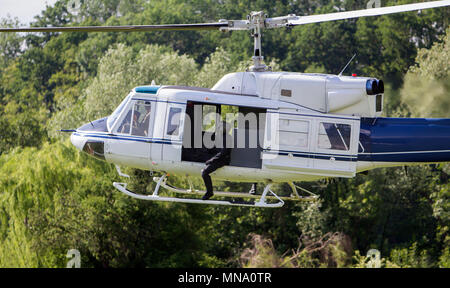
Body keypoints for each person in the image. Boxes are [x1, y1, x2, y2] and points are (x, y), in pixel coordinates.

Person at [201, 121, 232, 200]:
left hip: (222, 160)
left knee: (204, 173)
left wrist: (211, 160)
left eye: (220, 127)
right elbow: (215, 149)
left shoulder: (227, 138)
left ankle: (209, 192)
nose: (218, 128)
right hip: (219, 158)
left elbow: (223, 153)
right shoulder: (220, 136)